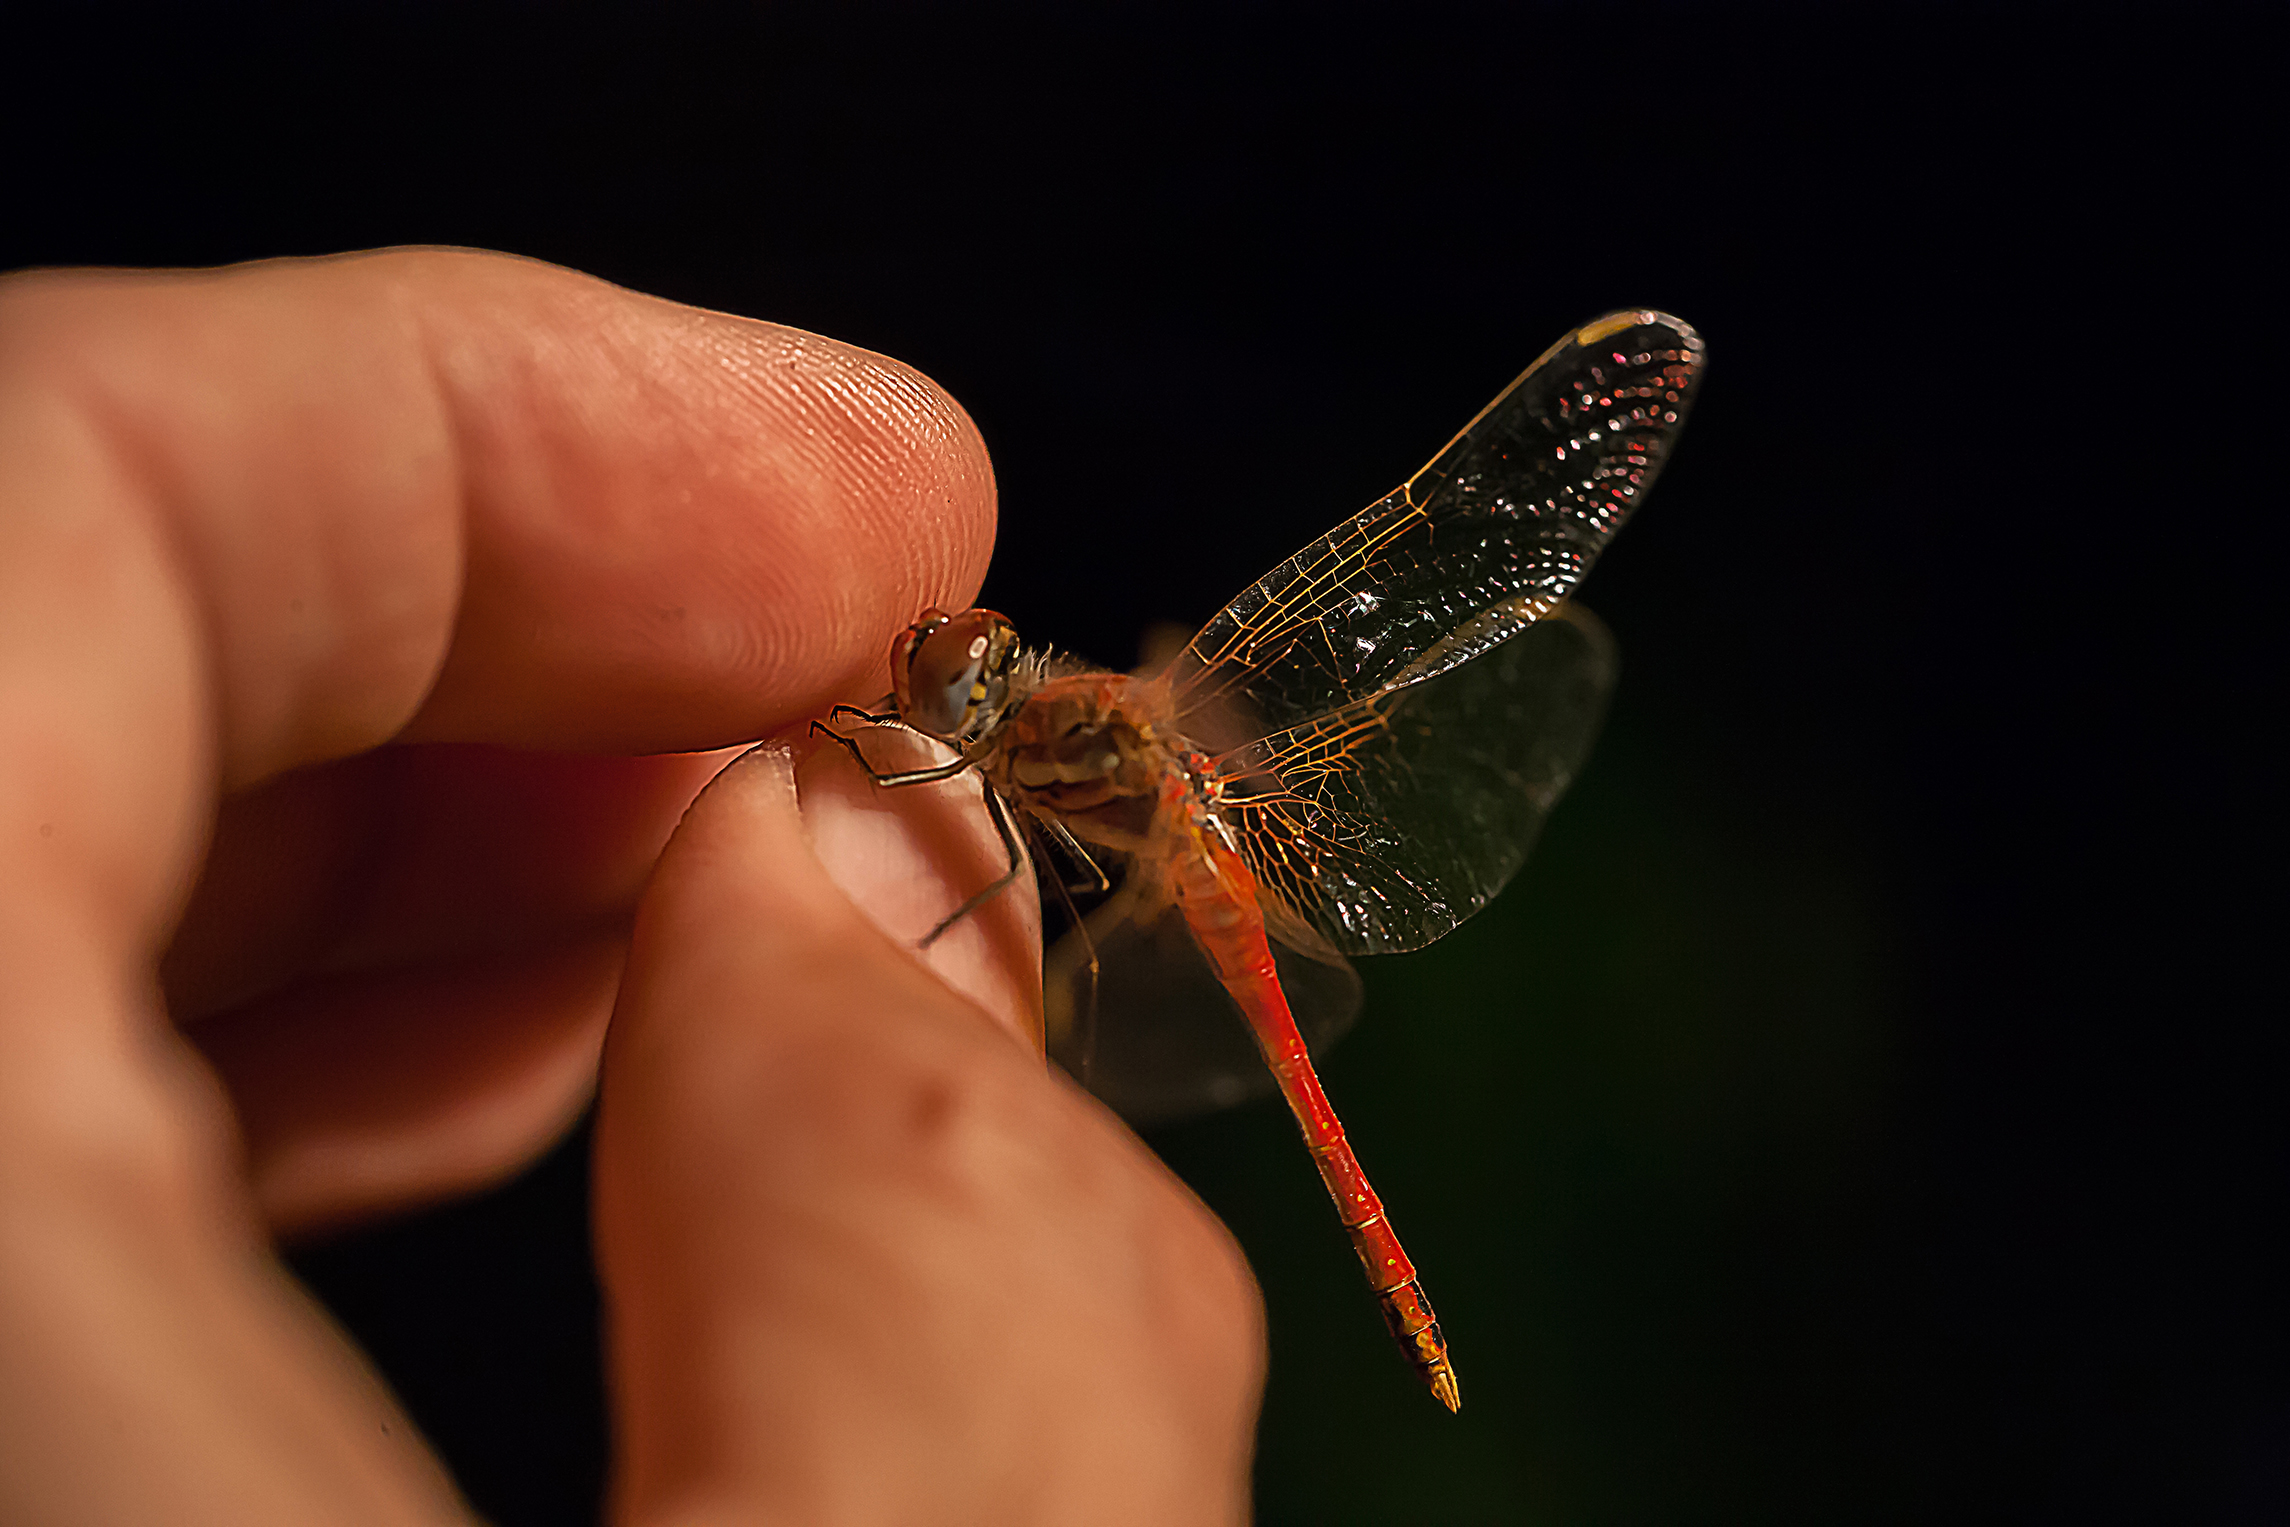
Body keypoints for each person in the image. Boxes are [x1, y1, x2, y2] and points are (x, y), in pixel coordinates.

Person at [0, 249, 1260, 1523]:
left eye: (966, 680)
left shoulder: (1030, 764)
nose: (959, 676)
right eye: (969, 673)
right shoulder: (1019, 738)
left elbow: (947, 841)